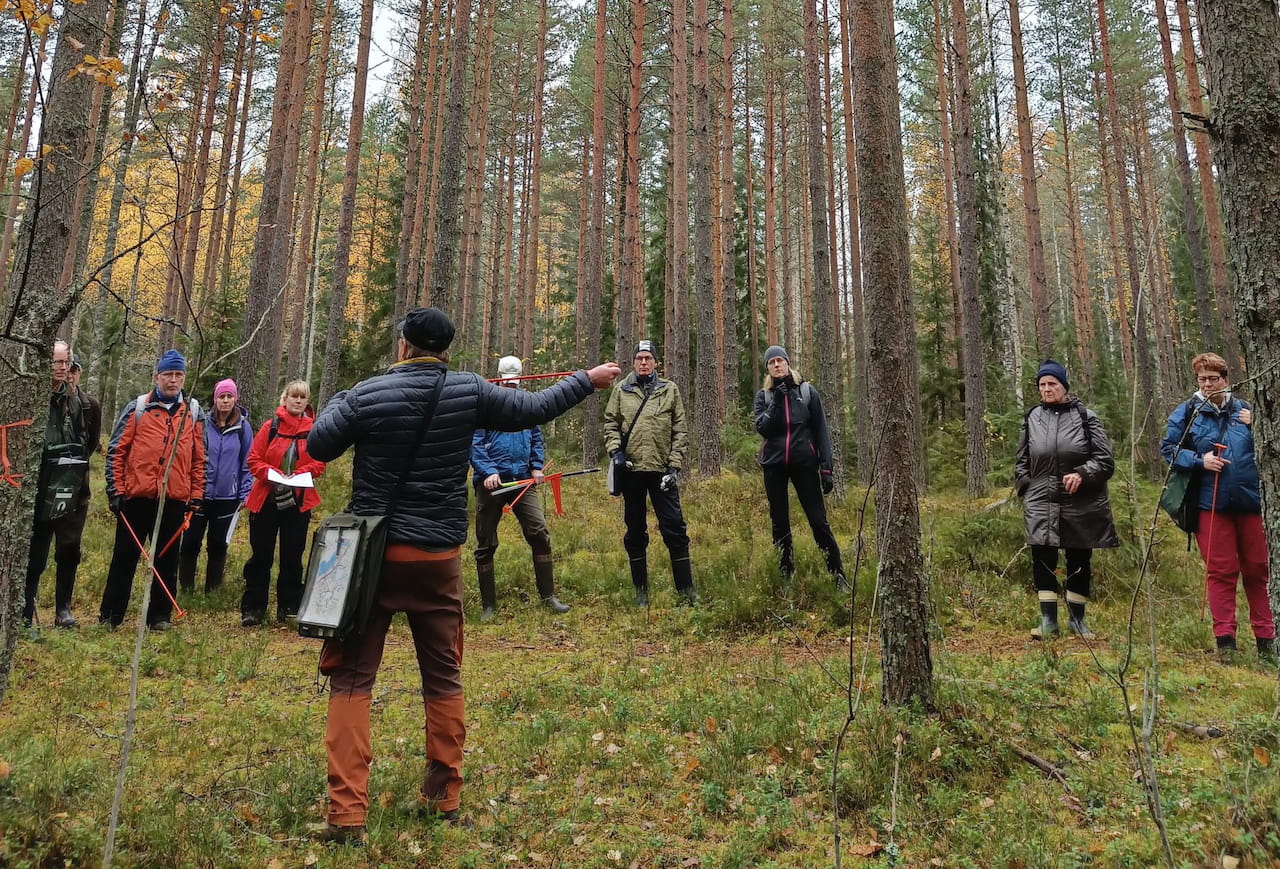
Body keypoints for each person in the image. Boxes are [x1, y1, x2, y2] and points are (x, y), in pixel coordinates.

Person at [304, 307, 620, 842]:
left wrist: (341, 397)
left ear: (403, 345)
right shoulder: (470, 391)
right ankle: (443, 798)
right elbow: (532, 408)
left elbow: (317, 445)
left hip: (372, 562)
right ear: (445, 350)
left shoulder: (367, 393)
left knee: (353, 679)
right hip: (436, 558)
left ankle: (346, 815)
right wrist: (586, 380)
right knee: (444, 676)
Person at [1161, 352, 1274, 659]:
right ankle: (1226, 641)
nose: (1208, 384)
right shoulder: (1187, 413)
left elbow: (1271, 445)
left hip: (1251, 502)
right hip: (1209, 505)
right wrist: (1199, 461)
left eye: (1214, 378)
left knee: (1258, 569)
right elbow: (1168, 448)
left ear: (1226, 379)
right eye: (1202, 379)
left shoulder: (1247, 410)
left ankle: (1266, 639)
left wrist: (1259, 426)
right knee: (1221, 570)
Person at [100, 350, 205, 631]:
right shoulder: (138, 408)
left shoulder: (193, 412)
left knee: (167, 561)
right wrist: (115, 490)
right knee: (124, 559)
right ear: (157, 376)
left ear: (184, 378)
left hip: (173, 500)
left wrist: (195, 496)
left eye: (178, 375)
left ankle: (159, 617)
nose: (173, 380)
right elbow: (116, 451)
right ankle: (110, 616)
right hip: (136, 498)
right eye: (168, 375)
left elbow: (199, 458)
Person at [1015, 360, 1119, 640]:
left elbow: (1106, 461)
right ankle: (1048, 621)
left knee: (1079, 557)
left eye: (1052, 384)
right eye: (1042, 385)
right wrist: (1026, 485)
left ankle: (1077, 620)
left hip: (1080, 501)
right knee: (1042, 556)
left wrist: (1084, 474)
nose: (1047, 389)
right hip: (1040, 500)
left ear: (1064, 386)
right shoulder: (1032, 417)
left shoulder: (1086, 417)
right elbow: (1022, 459)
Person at [471, 355, 570, 621]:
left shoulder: (527, 403)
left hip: (524, 481)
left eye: (515, 383)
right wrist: (488, 471)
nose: (511, 387)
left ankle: (548, 597)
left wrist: (537, 467)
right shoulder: (485, 404)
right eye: (508, 382)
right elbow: (475, 443)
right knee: (485, 541)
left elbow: (536, 437)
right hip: (492, 484)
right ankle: (488, 606)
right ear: (500, 377)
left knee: (539, 532)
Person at [604, 340, 697, 606]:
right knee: (634, 531)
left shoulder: (670, 390)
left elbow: (680, 429)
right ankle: (641, 592)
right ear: (633, 362)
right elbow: (610, 422)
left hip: (661, 472)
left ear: (656, 362)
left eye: (648, 358)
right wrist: (616, 453)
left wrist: (674, 466)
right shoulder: (622, 390)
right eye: (639, 358)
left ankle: (686, 591)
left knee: (675, 529)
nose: (644, 362)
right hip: (632, 471)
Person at [753, 345, 846, 587]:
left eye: (780, 361)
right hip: (774, 466)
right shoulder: (764, 397)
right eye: (771, 362)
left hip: (804, 464)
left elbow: (821, 432)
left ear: (787, 363)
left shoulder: (807, 392)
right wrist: (777, 400)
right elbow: (763, 428)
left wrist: (826, 469)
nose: (776, 365)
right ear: (768, 369)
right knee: (780, 522)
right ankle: (786, 575)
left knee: (818, 520)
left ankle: (838, 575)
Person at [240, 380, 324, 627]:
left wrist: (297, 476)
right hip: (266, 498)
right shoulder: (270, 427)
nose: (298, 401)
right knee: (261, 555)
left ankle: (289, 607)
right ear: (284, 399)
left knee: (293, 556)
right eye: (294, 397)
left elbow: (319, 463)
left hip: (298, 501)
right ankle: (253, 608)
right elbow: (253, 459)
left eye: (303, 398)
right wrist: (272, 474)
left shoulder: (314, 430)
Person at [24, 341, 94, 630]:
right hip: (39, 487)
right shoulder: (31, 396)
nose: (63, 368)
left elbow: (88, 443)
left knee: (69, 548)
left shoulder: (82, 403)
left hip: (72, 487)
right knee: (35, 552)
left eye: (67, 363)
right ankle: (24, 609)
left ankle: (63, 608)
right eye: (58, 363)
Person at [179, 379, 253, 595]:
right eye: (222, 396)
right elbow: (192, 455)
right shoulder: (202, 423)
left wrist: (244, 492)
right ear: (215, 399)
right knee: (191, 541)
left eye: (230, 396)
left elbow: (247, 461)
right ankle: (185, 589)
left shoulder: (243, 428)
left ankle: (212, 591)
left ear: (235, 399)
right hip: (199, 494)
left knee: (218, 544)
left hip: (228, 498)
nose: (226, 400)